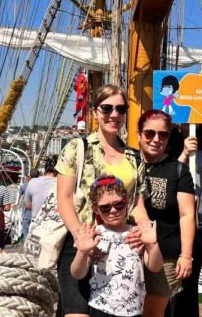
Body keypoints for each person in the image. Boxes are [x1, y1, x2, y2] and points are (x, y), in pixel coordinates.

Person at [56, 84, 150, 317]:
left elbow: (137, 203)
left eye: (121, 109)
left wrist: (144, 230)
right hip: (79, 243)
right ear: (95, 111)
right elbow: (64, 199)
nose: (114, 115)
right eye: (107, 108)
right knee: (77, 313)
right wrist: (81, 237)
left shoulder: (134, 157)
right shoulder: (77, 148)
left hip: (119, 246)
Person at [71, 175, 163, 317]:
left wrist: (153, 245)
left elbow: (155, 267)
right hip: (101, 308)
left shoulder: (138, 233)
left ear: (127, 202)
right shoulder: (93, 234)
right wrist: (82, 253)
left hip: (134, 310)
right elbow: (77, 274)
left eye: (118, 204)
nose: (113, 210)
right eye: (105, 207)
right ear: (95, 209)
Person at [137, 110, 196, 317]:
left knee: (154, 312)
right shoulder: (128, 164)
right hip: (130, 250)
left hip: (166, 254)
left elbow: (187, 215)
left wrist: (186, 255)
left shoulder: (177, 170)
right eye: (149, 133)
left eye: (163, 134)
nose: (156, 139)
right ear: (139, 134)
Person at [169, 123, 202, 317]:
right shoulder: (170, 146)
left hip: (197, 222)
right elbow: (168, 177)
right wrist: (184, 154)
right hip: (176, 220)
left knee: (190, 283)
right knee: (172, 283)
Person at [21, 169, 40, 238]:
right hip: (37, 215)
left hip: (26, 214)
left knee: (26, 234)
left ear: (30, 176)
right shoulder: (41, 185)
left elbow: (21, 193)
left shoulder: (25, 185)